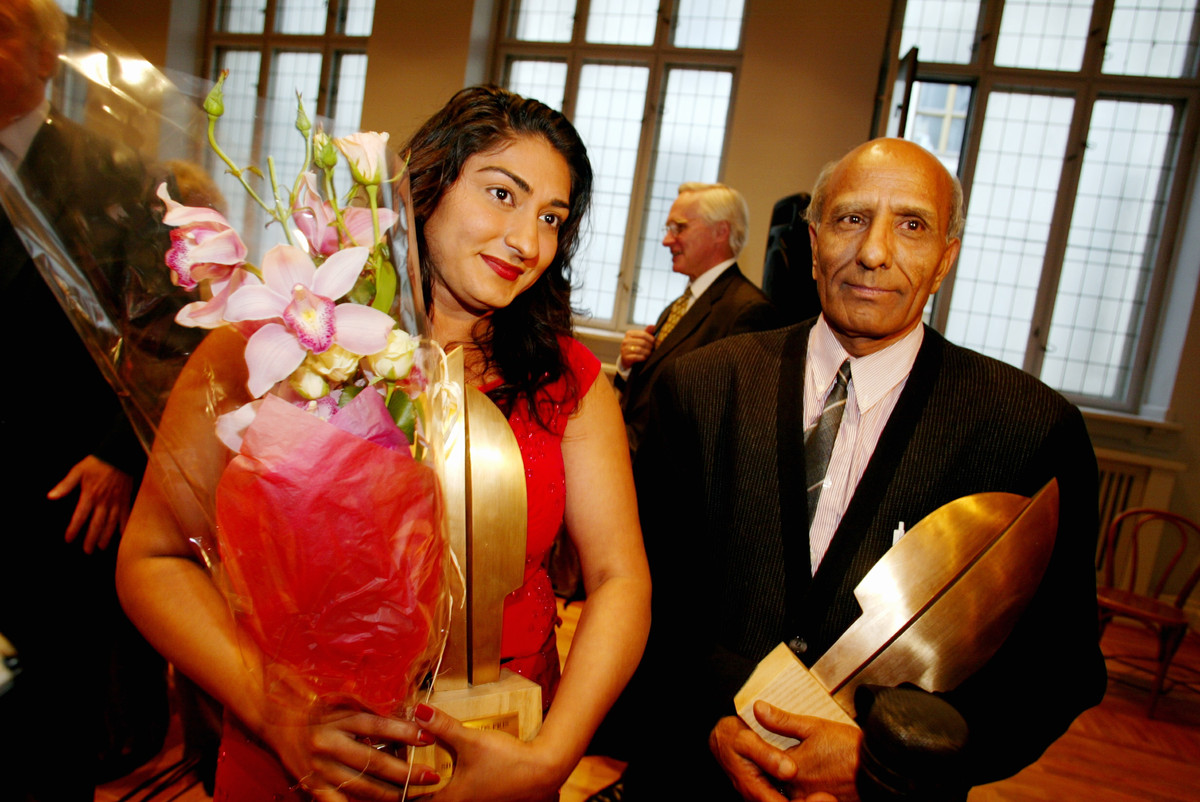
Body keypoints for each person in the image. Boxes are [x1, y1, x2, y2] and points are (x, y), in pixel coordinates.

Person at [117, 85, 651, 802]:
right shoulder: (276, 346)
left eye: (551, 218)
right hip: (300, 749)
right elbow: (153, 558)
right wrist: (273, 707)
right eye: (502, 194)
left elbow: (619, 579)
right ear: (425, 186)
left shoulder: (567, 382)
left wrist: (552, 757)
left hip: (501, 751)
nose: (528, 242)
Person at [627, 138, 1105, 800]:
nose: (874, 252)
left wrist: (884, 759)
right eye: (852, 218)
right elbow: (644, 600)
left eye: (912, 226)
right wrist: (710, 719)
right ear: (813, 241)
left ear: (945, 259)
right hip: (691, 779)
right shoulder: (703, 388)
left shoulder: (1030, 431)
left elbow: (1058, 670)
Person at [0, 0, 170, 796]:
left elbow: (165, 329)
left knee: (47, 720)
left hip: (64, 495)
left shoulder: (116, 175)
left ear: (46, 56)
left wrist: (117, 453)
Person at [615, 182, 778, 457]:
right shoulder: (679, 306)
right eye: (668, 229)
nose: (667, 240)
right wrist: (628, 367)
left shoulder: (749, 311)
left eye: (679, 227)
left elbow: (728, 426)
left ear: (720, 232)